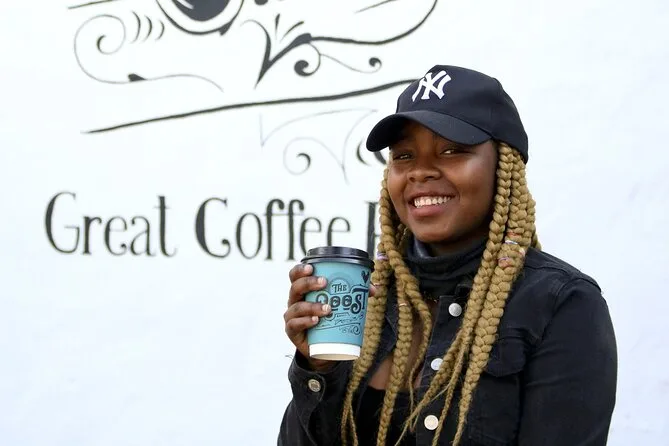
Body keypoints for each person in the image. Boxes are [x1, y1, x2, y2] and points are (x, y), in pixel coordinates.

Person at [278, 64, 618, 446]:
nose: (420, 171)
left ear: (504, 167)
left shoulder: (562, 304)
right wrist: (318, 368)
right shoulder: (362, 299)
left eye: (452, 150)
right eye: (404, 155)